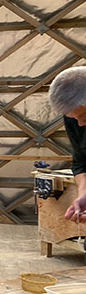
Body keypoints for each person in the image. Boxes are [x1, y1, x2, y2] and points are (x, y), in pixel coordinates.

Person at [49, 66, 86, 222]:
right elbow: (81, 163)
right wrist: (84, 193)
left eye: (84, 115)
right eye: (73, 117)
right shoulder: (74, 118)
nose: (80, 123)